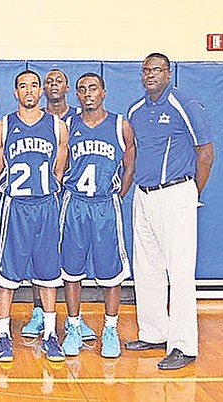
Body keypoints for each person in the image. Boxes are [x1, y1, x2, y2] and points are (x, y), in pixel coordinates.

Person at [125, 53, 214, 370]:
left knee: (179, 273)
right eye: (145, 69)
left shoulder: (184, 103)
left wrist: (190, 192)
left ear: (168, 73)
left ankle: (183, 345)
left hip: (176, 194)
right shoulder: (135, 110)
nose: (150, 74)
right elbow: (132, 155)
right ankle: (153, 332)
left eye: (157, 70)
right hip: (144, 196)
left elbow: (205, 152)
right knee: (147, 268)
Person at [0, 70, 68, 363]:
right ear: (15, 93)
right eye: (22, 86)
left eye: (34, 86)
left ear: (40, 92)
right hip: (15, 207)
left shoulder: (57, 126)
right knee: (8, 274)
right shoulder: (3, 126)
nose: (29, 91)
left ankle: (50, 333)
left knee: (49, 273)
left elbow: (59, 168)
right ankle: (2, 333)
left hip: (46, 206)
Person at [59, 72, 135, 358]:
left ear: (103, 92)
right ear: (76, 96)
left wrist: (117, 194)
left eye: (93, 88)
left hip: (105, 205)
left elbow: (129, 166)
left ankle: (110, 329)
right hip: (75, 204)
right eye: (82, 89)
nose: (87, 93)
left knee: (110, 272)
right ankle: (74, 326)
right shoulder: (68, 124)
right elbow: (59, 165)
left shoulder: (120, 125)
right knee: (71, 269)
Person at [22, 69, 93, 341]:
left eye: (58, 81)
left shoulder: (77, 118)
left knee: (73, 258)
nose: (53, 86)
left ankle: (75, 318)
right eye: (48, 81)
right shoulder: (34, 119)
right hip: (44, 197)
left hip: (74, 198)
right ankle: (38, 311)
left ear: (67, 88)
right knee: (39, 256)